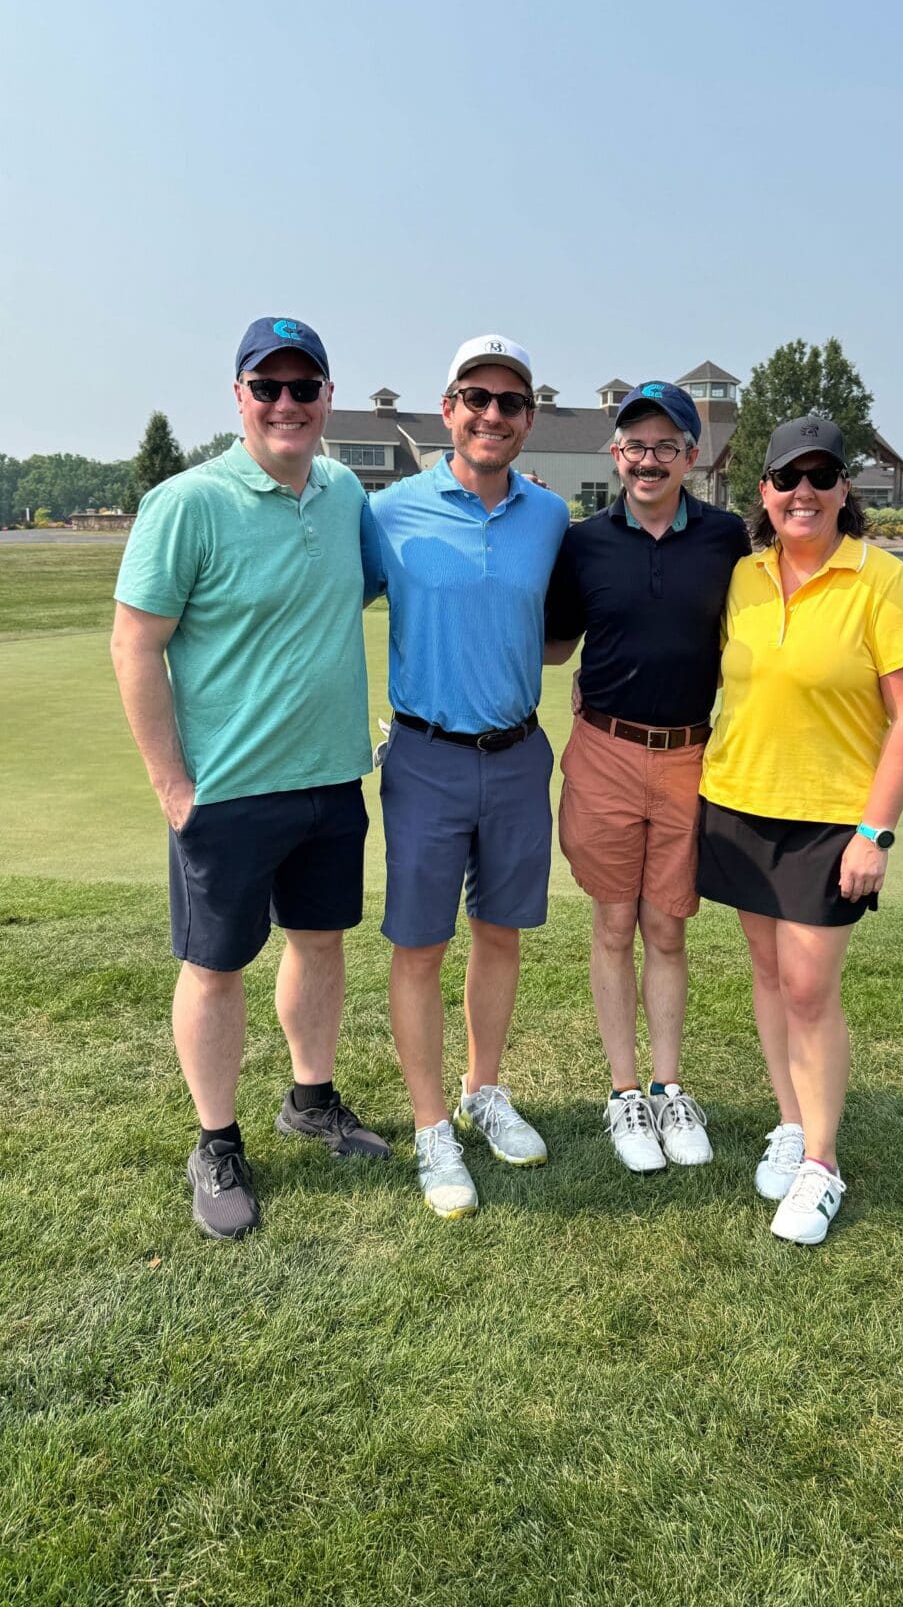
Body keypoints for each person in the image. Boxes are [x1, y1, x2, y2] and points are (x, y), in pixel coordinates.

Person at [110, 316, 390, 1241]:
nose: (285, 404)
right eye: (265, 387)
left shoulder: (346, 491)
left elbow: (379, 588)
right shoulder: (186, 502)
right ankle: (217, 1139)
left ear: (326, 399)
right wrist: (170, 788)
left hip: (329, 780)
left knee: (319, 944)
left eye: (302, 388)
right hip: (225, 793)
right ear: (237, 397)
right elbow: (135, 644)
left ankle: (310, 1101)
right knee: (217, 967)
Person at [698, 415, 903, 1244]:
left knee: (808, 987)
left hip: (833, 820)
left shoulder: (883, 581)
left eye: (821, 477)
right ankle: (792, 1123)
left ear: (846, 490)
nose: (804, 492)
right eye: (787, 478)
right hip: (736, 802)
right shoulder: (744, 578)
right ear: (762, 492)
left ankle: (824, 1163)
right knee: (768, 976)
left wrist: (876, 832)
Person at [369, 335, 569, 1219]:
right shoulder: (389, 512)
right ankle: (429, 1131)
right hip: (426, 756)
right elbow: (323, 606)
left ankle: (483, 1091)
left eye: (511, 402)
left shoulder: (550, 515)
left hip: (520, 755)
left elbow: (558, 630)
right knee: (420, 947)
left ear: (529, 418)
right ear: (447, 408)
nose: (494, 415)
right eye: (476, 398)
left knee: (501, 933)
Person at [544, 382, 749, 1172]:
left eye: (667, 445)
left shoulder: (727, 538)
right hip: (604, 750)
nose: (649, 459)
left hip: (691, 755)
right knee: (612, 923)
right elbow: (558, 644)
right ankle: (625, 1094)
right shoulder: (585, 541)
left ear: (691, 456)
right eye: (635, 445)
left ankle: (668, 1089)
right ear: (615, 453)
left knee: (667, 927)